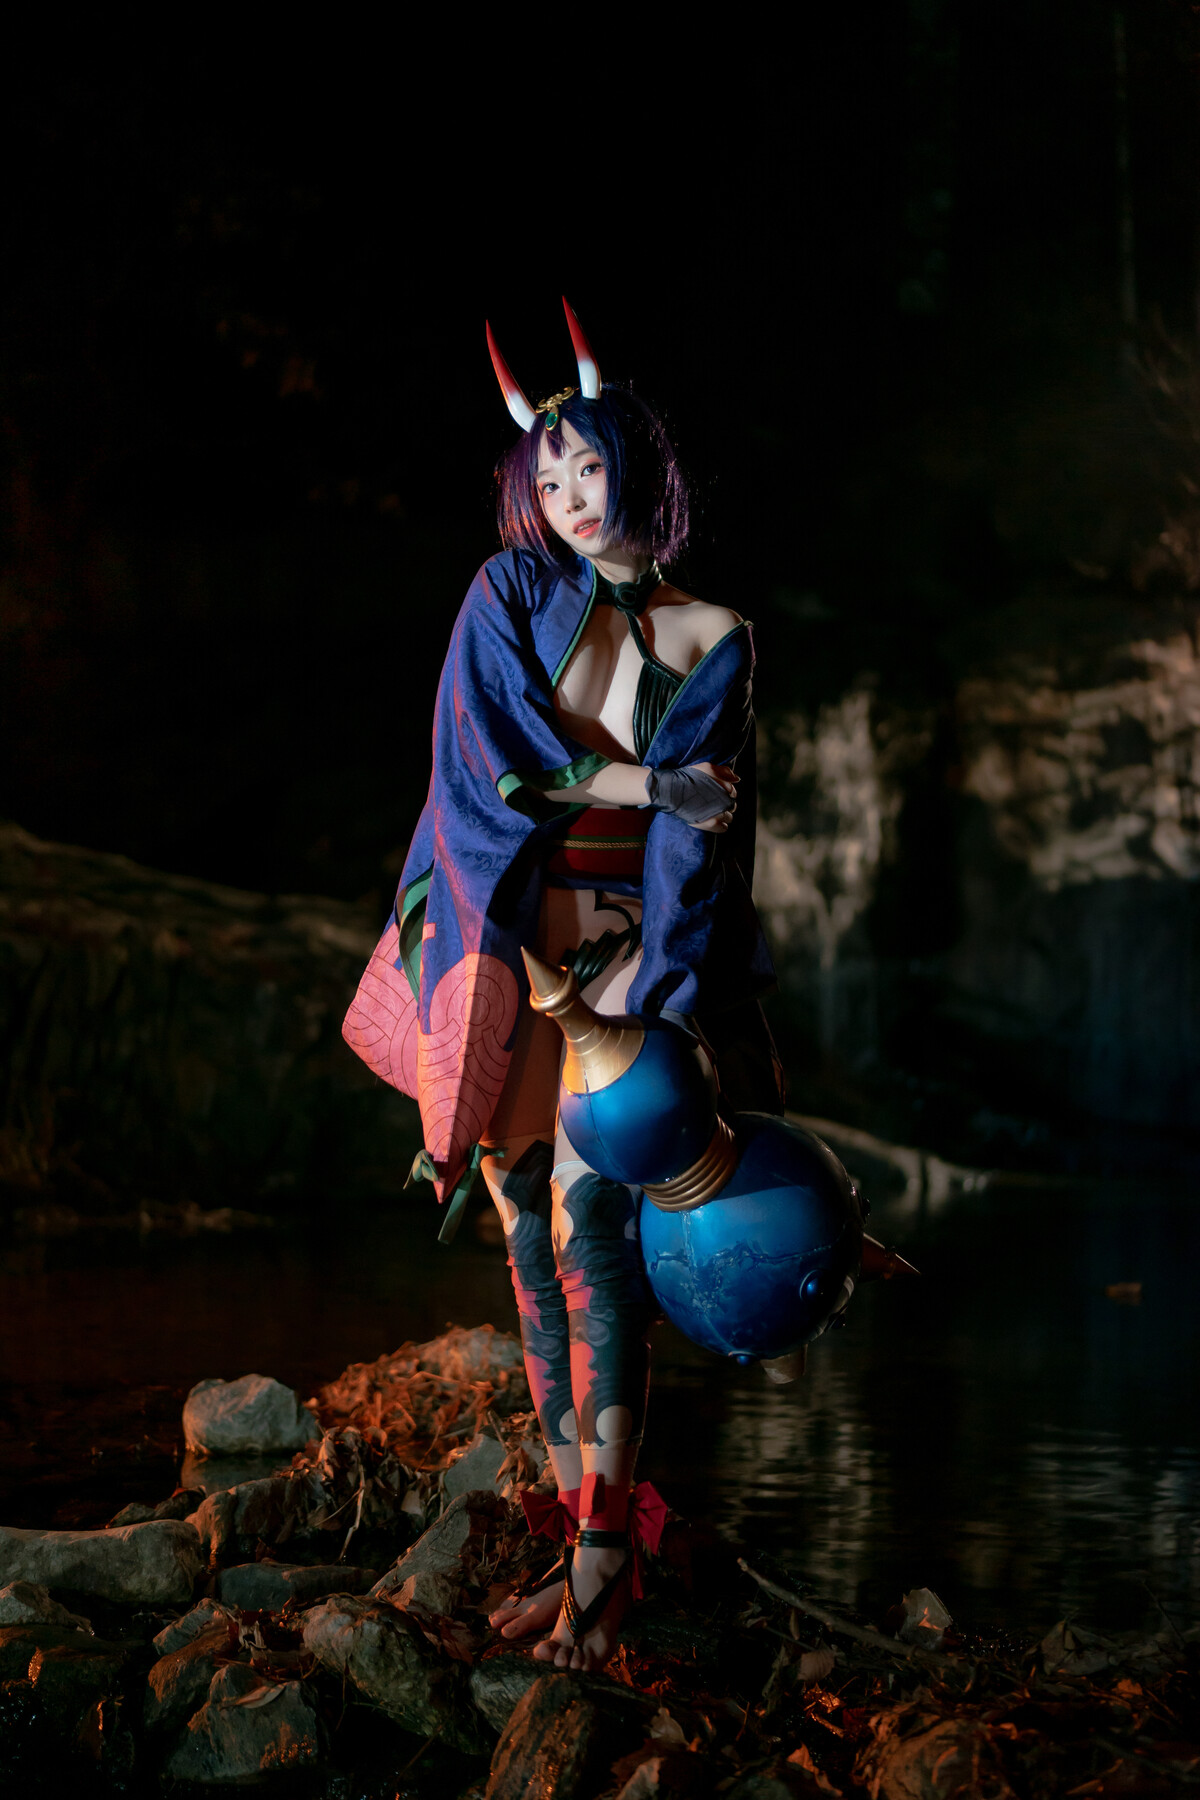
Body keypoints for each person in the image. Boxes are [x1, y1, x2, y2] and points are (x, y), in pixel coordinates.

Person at [343, 299, 779, 1671]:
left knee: (598, 1242)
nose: (573, 499)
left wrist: (659, 1001)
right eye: (549, 481)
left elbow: (708, 846)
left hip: (626, 956)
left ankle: (602, 1565)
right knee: (528, 1244)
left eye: (589, 466)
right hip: (504, 946)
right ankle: (587, 1534)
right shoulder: (507, 594)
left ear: (636, 459)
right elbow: (485, 771)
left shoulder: (717, 634)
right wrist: (646, 785)